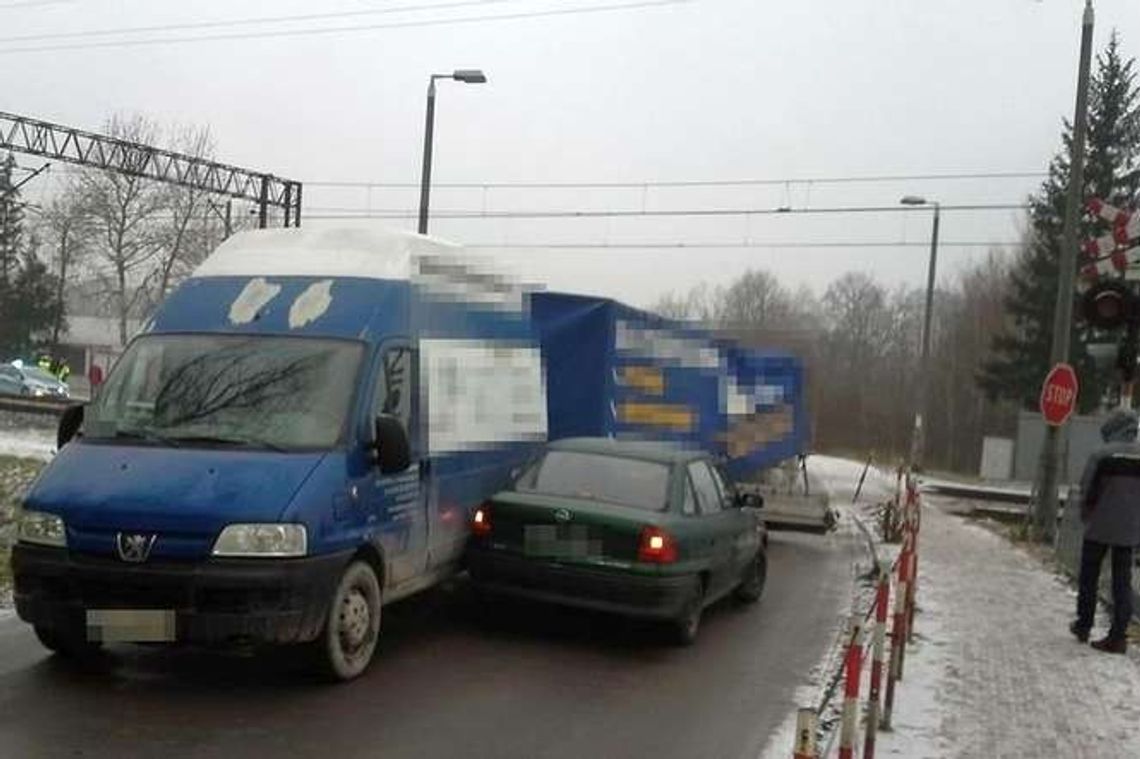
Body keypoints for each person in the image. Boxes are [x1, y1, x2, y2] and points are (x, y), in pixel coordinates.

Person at [1070, 409, 1140, 653]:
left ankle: (1084, 624)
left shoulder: (1101, 454)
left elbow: (1086, 487)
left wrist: (1085, 514)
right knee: (1123, 581)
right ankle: (1118, 636)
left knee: (1089, 576)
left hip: (1099, 525)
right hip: (1129, 528)